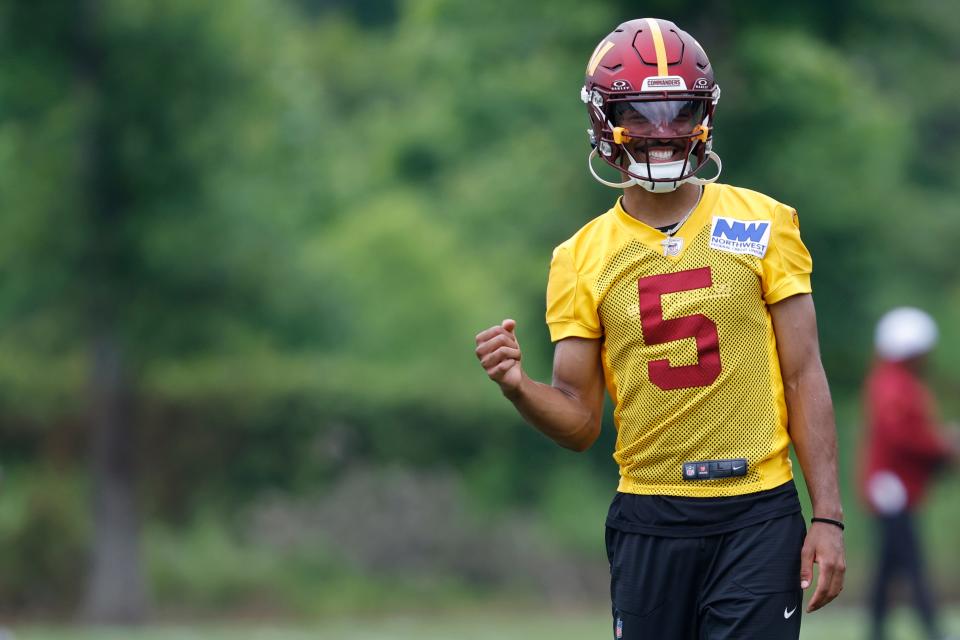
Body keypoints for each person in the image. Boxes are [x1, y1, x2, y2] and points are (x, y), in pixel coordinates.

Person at [474, 18, 845, 639]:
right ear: (602, 120)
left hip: (758, 509)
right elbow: (578, 420)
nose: (663, 131)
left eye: (679, 111)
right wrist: (519, 386)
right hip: (651, 513)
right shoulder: (580, 256)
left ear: (705, 114)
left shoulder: (767, 223)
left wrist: (828, 517)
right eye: (641, 114)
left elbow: (805, 374)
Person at [861, 307, 959, 640]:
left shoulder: (895, 382)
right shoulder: (893, 384)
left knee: (890, 566)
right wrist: (942, 446)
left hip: (899, 487)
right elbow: (901, 435)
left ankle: (876, 630)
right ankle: (930, 628)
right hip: (893, 487)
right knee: (910, 562)